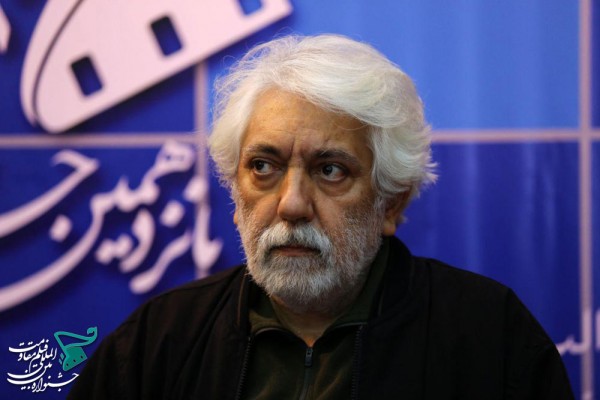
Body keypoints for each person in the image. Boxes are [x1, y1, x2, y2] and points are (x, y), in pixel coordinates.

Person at [68, 34, 574, 399]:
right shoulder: (160, 342)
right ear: (235, 191)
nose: (291, 204)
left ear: (391, 203)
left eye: (330, 170)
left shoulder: (490, 340)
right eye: (262, 167)